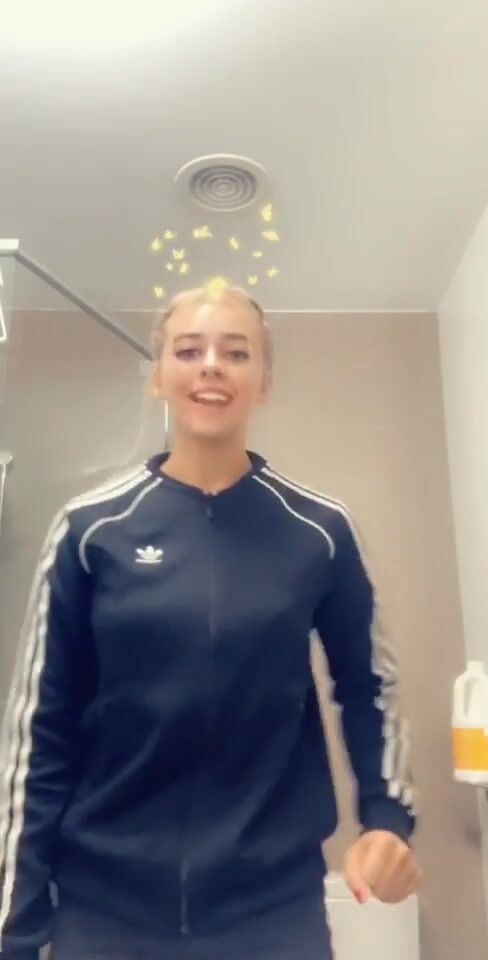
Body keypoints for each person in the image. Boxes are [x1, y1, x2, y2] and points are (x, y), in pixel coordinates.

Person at [0, 285, 420, 960]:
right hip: (103, 909)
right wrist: (16, 929)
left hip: (272, 911)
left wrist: (387, 818)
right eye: (189, 350)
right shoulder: (90, 529)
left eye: (237, 352)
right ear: (159, 375)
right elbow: (37, 732)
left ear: (265, 382)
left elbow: (369, 684)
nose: (212, 366)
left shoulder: (320, 530)